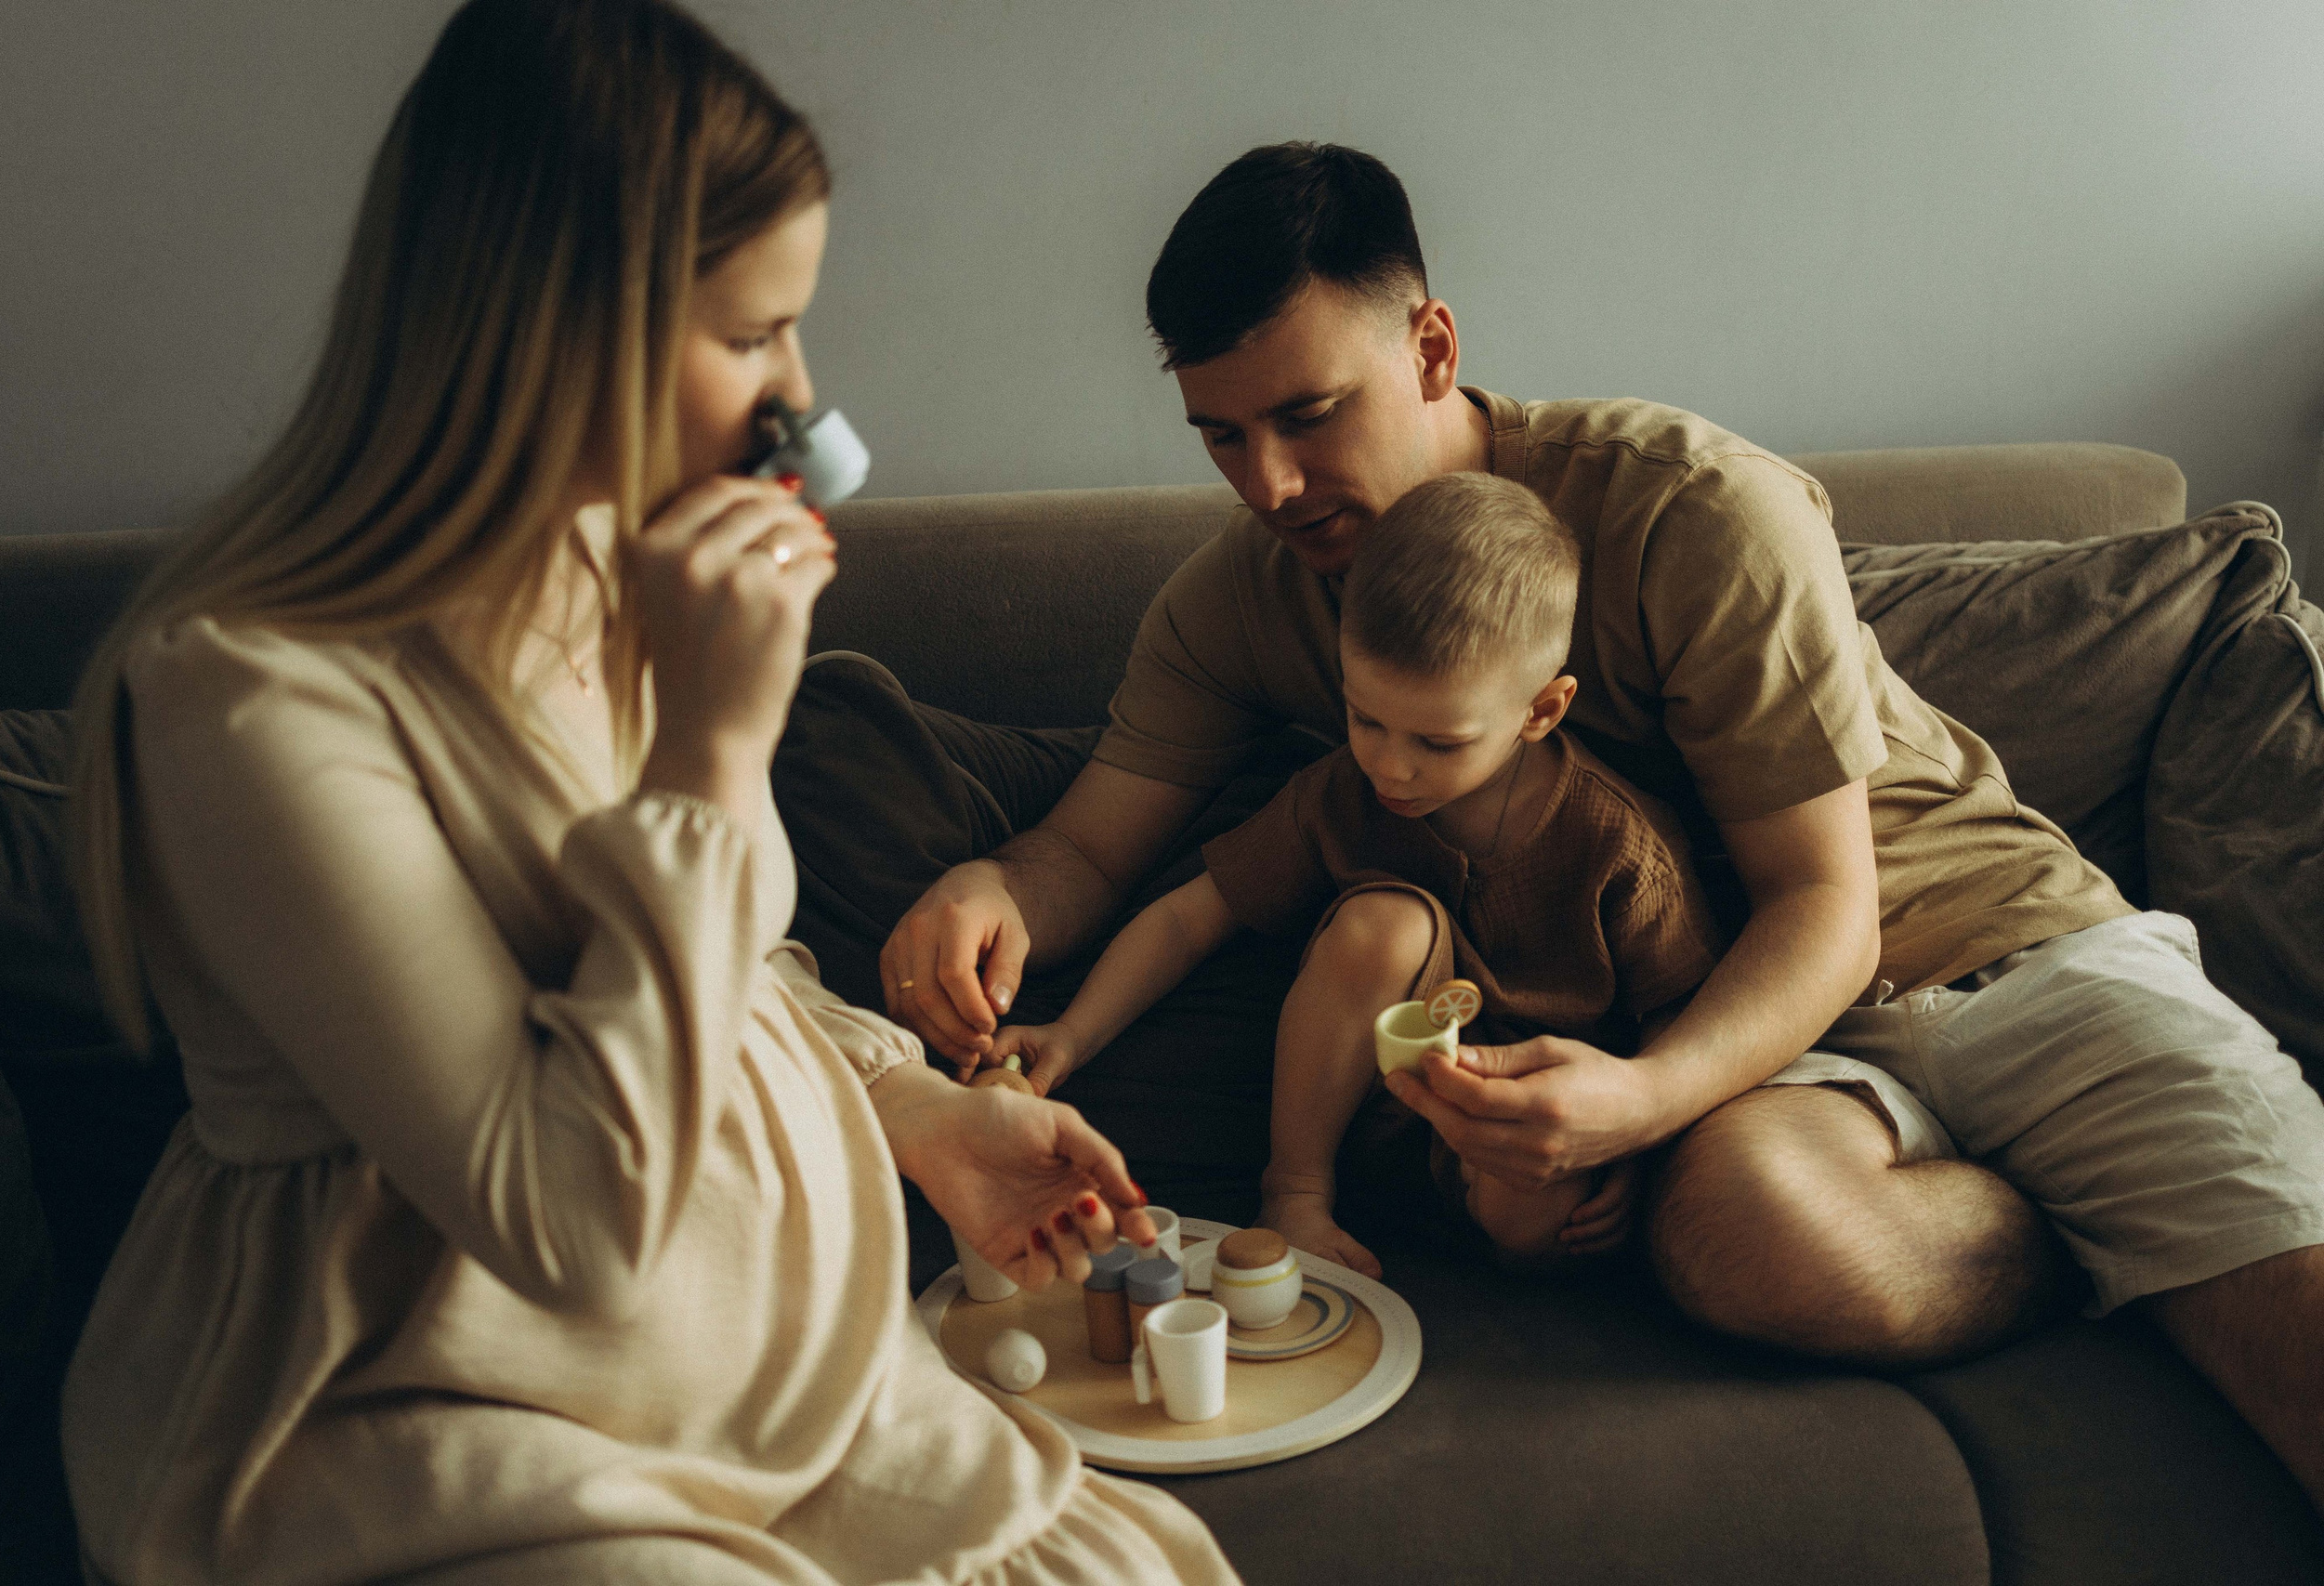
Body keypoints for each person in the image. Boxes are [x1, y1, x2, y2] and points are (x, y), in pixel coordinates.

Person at [788, 141, 2324, 1510]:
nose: (1268, 482)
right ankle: (2085, 1248)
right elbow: (1096, 852)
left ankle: (2153, 1225)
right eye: (1219, 436)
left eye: (1309, 416)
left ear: (1433, 345)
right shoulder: (1240, 604)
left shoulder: (1688, 509)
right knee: (1740, 1238)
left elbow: (1826, 905)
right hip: (1776, 1054)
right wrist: (993, 884)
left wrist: (1641, 1098)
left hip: (1993, 950)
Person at [56, 4, 1233, 1582]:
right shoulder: (242, 700)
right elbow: (568, 1225)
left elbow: (716, 982)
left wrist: (924, 1115)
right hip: (428, 1427)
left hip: (766, 1409)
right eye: (753, 337)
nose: (804, 412)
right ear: (565, 332)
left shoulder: (608, 582)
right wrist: (712, 755)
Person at [977, 473, 1719, 1278]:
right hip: (1363, 1127)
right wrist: (1072, 1033)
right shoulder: (1340, 793)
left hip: (1528, 1142)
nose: (1391, 768)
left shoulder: (1622, 846)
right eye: (1366, 718)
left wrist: (1635, 1147)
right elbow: (1190, 917)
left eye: (1438, 743)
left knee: (1525, 1208)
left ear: (1540, 710)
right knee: (1387, 921)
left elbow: (1679, 1022)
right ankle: (1293, 1192)